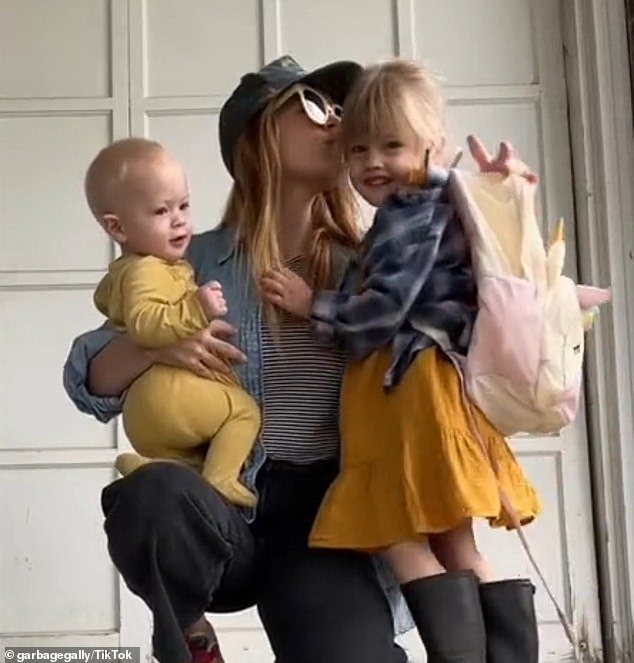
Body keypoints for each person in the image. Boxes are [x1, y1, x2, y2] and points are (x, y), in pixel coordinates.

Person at [62, 54, 537, 663]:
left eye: (341, 109)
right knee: (150, 494)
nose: (336, 122)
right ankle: (189, 632)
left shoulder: (376, 263)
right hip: (228, 500)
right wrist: (154, 342)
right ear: (257, 139)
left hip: (327, 521)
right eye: (314, 106)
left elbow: (485, 325)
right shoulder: (190, 265)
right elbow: (87, 382)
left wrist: (505, 210)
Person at [261, 58, 541, 663]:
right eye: (358, 150)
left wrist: (316, 305)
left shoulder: (409, 216)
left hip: (408, 390)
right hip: (427, 387)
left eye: (392, 145)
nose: (373, 163)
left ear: (431, 145)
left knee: (395, 531)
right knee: (456, 544)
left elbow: (385, 309)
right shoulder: (440, 205)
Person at [84, 137, 261, 507]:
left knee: (189, 459)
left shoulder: (146, 269)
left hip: (147, 416)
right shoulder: (147, 270)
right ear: (117, 229)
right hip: (169, 398)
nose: (180, 219)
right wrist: (194, 311)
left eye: (183, 205)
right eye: (161, 211)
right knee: (243, 411)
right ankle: (222, 477)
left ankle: (155, 467)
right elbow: (137, 332)